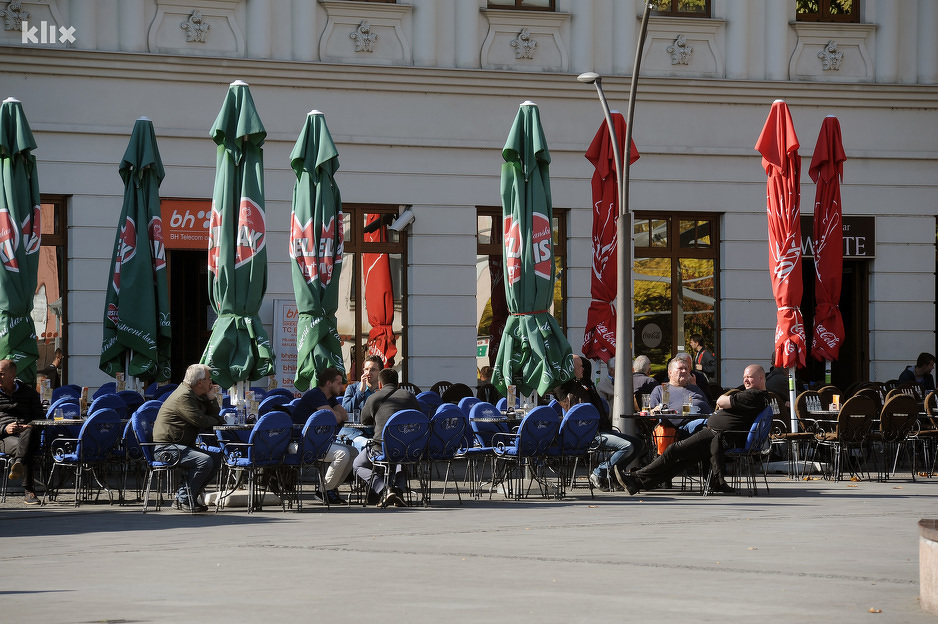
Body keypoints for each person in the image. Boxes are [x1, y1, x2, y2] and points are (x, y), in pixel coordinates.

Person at [621, 364, 770, 496]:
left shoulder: (753, 395)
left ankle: (634, 476)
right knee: (682, 462)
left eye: (750, 377)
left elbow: (722, 401)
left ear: (761, 377)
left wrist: (724, 399)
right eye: (744, 377)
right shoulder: (758, 396)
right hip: (721, 436)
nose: (745, 380)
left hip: (716, 435)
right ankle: (638, 483)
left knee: (673, 450)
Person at [555, 355, 644, 492]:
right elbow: (558, 382)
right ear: (570, 369)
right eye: (580, 366)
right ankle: (599, 472)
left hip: (602, 430)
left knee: (638, 444)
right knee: (627, 446)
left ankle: (614, 473)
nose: (583, 368)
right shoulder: (564, 388)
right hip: (585, 434)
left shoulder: (586, 384)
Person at [152, 364, 224, 512]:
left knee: (216, 458)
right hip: (167, 448)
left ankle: (189, 496)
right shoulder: (184, 396)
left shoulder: (196, 395)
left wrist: (211, 399)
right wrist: (219, 420)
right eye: (209, 379)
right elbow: (201, 421)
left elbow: (212, 415)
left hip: (183, 445)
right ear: (200, 382)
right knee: (204, 461)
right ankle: (183, 499)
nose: (211, 382)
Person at [353, 368, 421, 507]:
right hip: (408, 448)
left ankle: (384, 489)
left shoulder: (374, 398)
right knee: (401, 460)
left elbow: (364, 420)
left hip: (382, 447)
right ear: (398, 384)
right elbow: (419, 417)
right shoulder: (409, 396)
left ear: (380, 384)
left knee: (357, 464)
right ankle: (399, 491)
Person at [295, 367, 357, 504]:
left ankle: (330, 488)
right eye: (339, 383)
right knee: (342, 453)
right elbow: (335, 418)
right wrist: (336, 415)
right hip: (300, 443)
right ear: (329, 383)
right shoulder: (315, 395)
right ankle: (324, 491)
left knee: (353, 452)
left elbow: (344, 416)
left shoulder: (330, 398)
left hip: (318, 442)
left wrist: (336, 415)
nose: (341, 387)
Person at [0, 359, 45, 505]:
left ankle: (18, 461)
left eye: (1, 374)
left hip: (28, 434)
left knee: (28, 435)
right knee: (25, 447)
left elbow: (40, 419)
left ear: (12, 374)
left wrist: (29, 426)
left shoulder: (29, 392)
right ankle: (29, 492)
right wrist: (5, 428)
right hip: (5, 438)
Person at [647, 357, 711, 436]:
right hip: (682, 428)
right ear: (670, 372)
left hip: (705, 421)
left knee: (723, 420)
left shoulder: (695, 388)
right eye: (680, 368)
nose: (684, 371)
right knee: (713, 423)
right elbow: (651, 414)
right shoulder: (661, 390)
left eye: (686, 369)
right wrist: (655, 410)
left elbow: (708, 407)